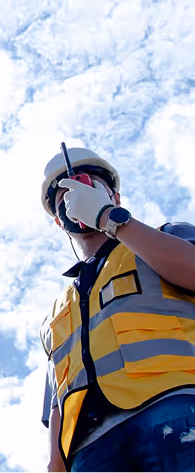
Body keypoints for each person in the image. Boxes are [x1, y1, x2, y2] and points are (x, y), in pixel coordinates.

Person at [39, 147, 195, 473]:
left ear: (115, 196)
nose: (74, 192)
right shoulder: (57, 312)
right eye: (63, 192)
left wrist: (109, 219)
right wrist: (56, 466)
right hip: (89, 448)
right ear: (57, 218)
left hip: (176, 406)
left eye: (88, 183)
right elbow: (57, 399)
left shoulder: (164, 239)